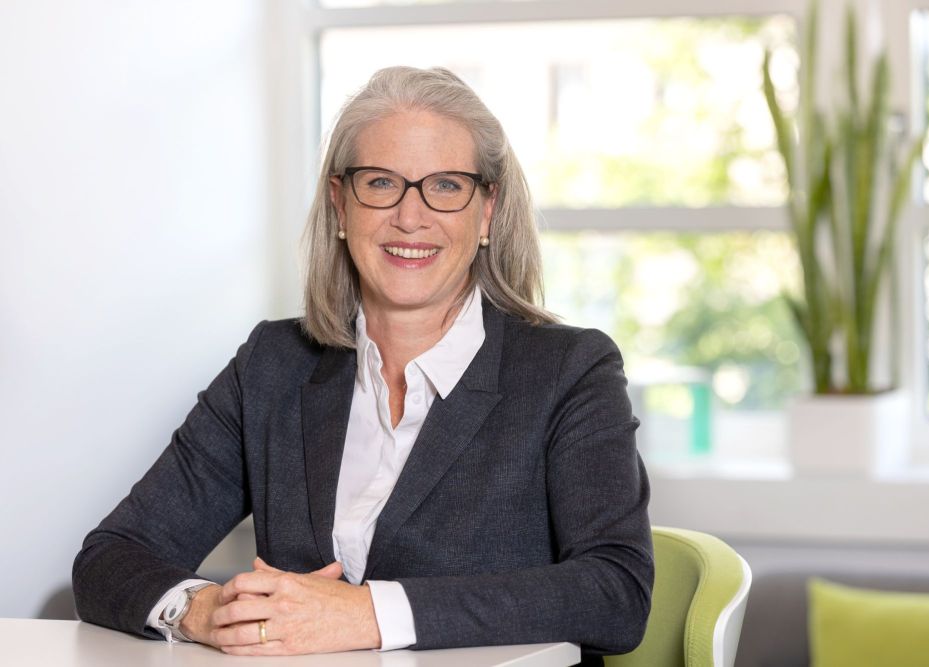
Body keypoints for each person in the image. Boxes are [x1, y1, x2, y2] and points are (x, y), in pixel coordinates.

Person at [72, 66, 653, 662]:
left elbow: (615, 593)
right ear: (340, 205)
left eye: (446, 186)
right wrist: (206, 610)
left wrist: (366, 613)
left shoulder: (569, 371)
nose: (410, 216)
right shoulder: (273, 365)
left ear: (487, 211)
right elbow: (109, 557)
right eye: (380, 183)